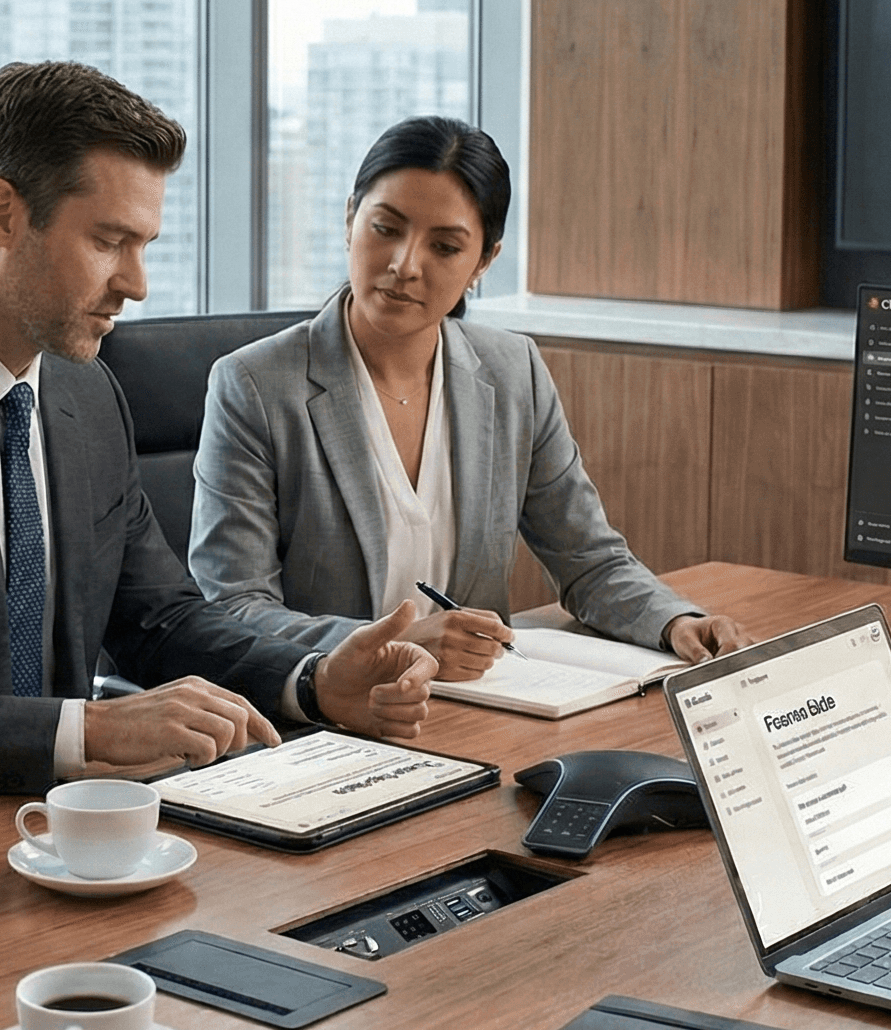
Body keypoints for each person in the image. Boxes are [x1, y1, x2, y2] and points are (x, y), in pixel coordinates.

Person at [0, 62, 436, 795]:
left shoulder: (84, 390)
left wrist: (313, 683)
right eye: (109, 242)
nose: (137, 283)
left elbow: (157, 618)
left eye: (144, 246)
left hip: (77, 829)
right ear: (3, 215)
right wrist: (85, 731)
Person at [188, 116, 747, 680]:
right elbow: (234, 609)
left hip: (480, 702)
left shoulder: (513, 372)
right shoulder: (254, 386)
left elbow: (589, 561)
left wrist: (675, 622)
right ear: (349, 218)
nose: (405, 265)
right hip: (326, 713)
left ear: (483, 262)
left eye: (445, 246)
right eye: (385, 228)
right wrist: (400, 643)